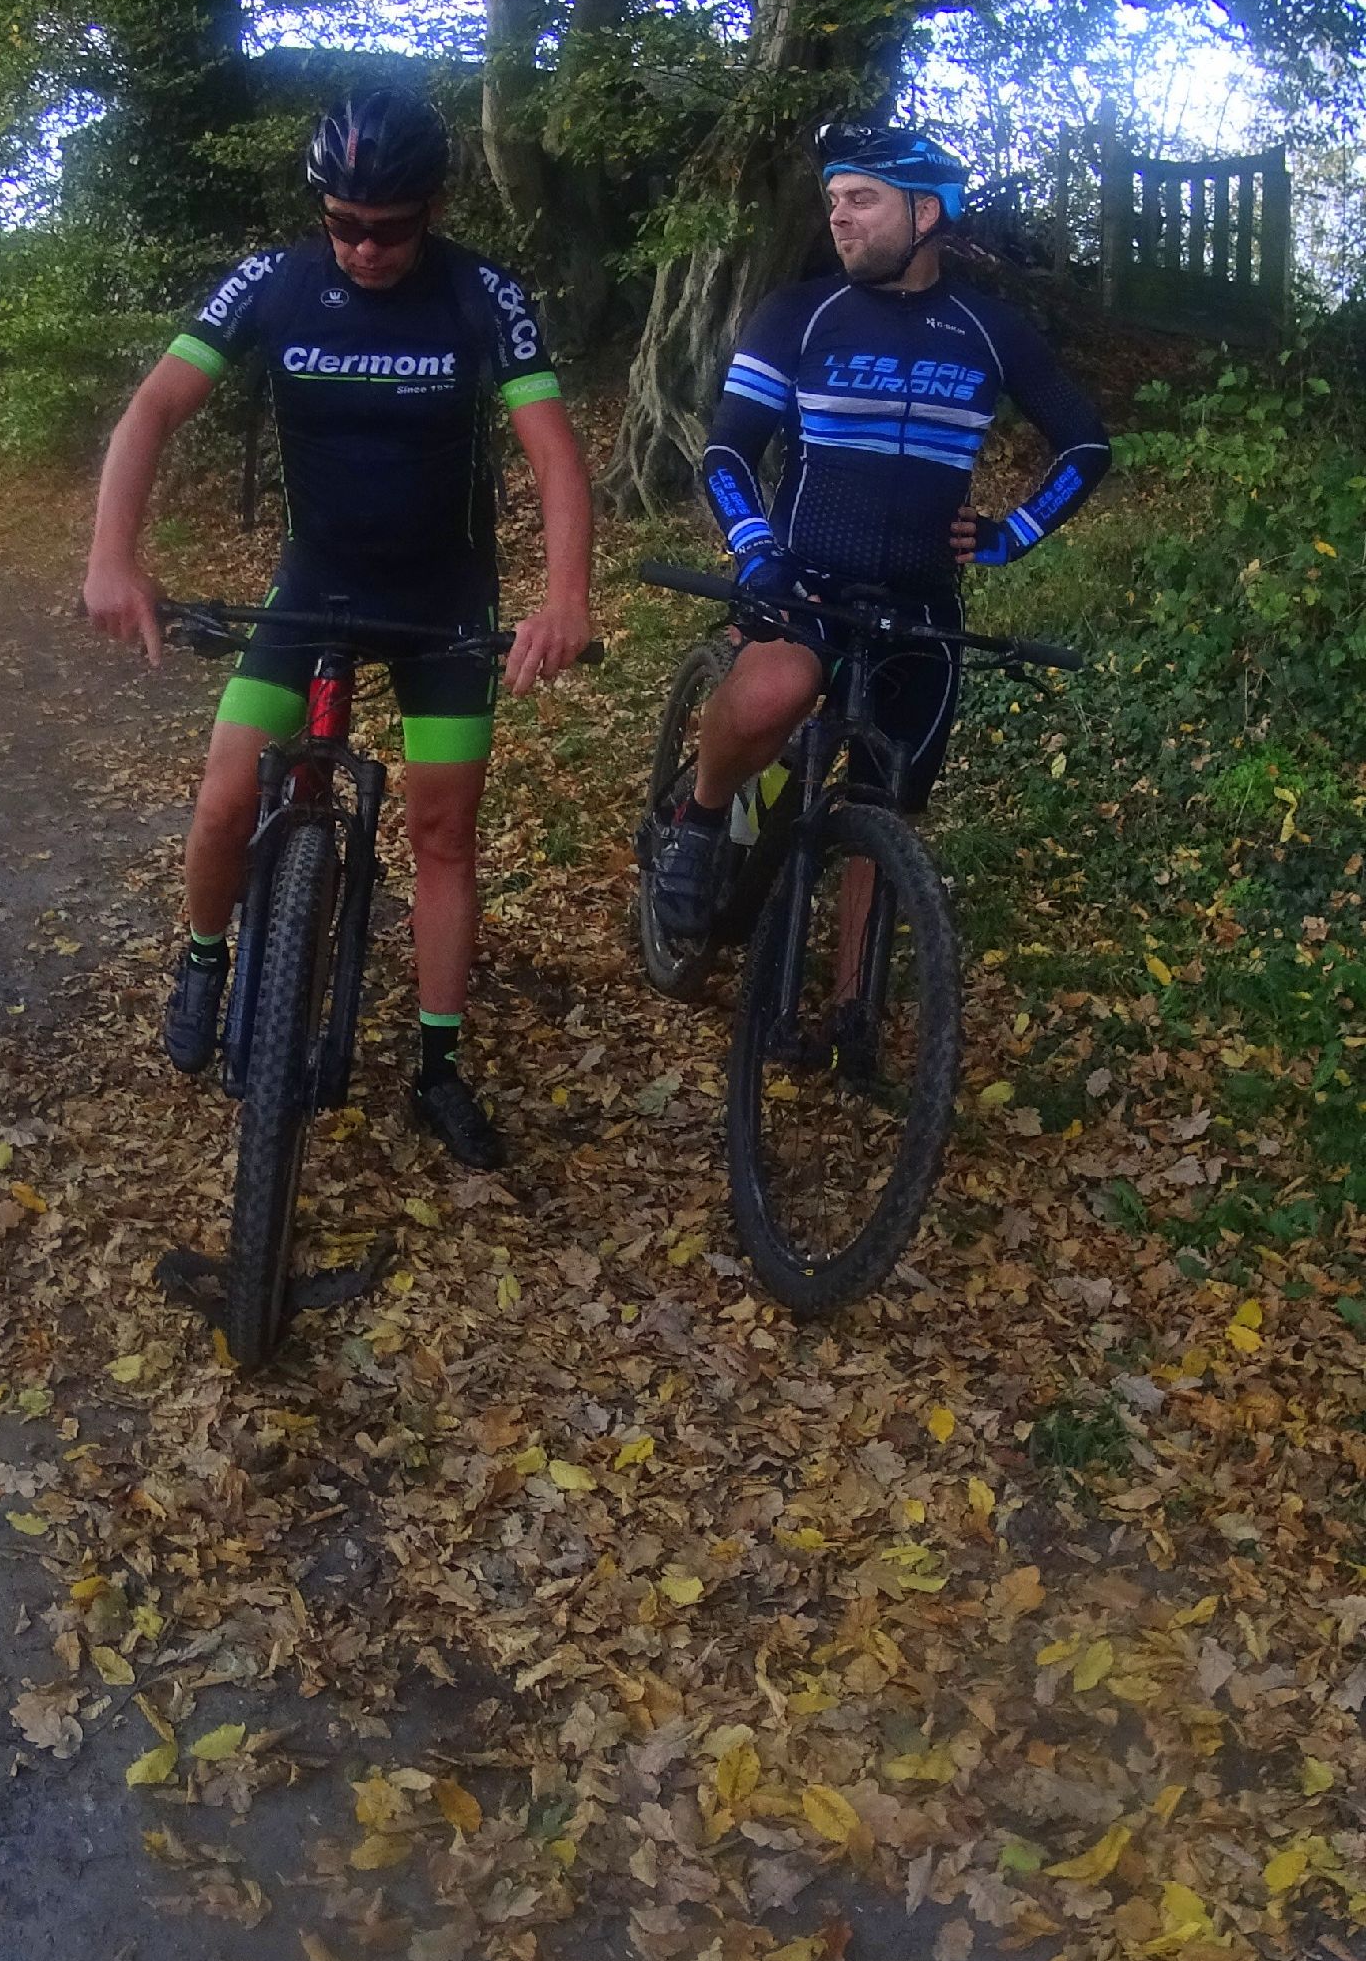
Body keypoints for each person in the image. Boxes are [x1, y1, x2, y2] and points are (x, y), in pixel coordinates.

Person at [84, 87, 593, 1168]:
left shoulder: (481, 292)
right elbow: (152, 409)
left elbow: (552, 451)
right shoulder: (273, 281)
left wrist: (564, 597)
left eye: (389, 228)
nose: (364, 247)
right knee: (226, 796)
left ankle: (438, 1065)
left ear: (433, 208)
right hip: (314, 581)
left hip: (441, 597)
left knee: (441, 832)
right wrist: (111, 557)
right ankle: (205, 957)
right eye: (343, 224)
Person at [650, 123, 1110, 958]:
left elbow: (1086, 446)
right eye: (834, 200)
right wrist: (757, 551)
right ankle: (701, 818)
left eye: (862, 198)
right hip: (804, 582)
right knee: (773, 692)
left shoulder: (990, 328)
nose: (839, 216)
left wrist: (1011, 534)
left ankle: (849, 1010)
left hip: (921, 605)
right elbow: (727, 452)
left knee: (884, 804)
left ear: (926, 213)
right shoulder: (799, 313)